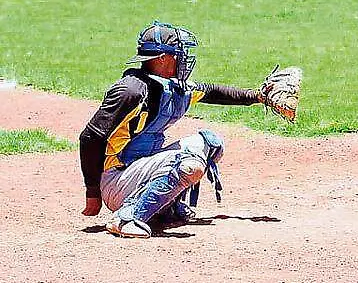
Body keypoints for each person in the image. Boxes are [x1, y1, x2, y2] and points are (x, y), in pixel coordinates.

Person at [79, 22, 271, 238]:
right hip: (117, 179)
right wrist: (93, 193)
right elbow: (90, 137)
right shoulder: (130, 91)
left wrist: (257, 96)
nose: (182, 59)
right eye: (177, 53)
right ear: (162, 58)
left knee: (210, 144)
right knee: (188, 164)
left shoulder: (171, 87)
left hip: (141, 171)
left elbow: (212, 92)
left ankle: (164, 209)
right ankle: (126, 218)